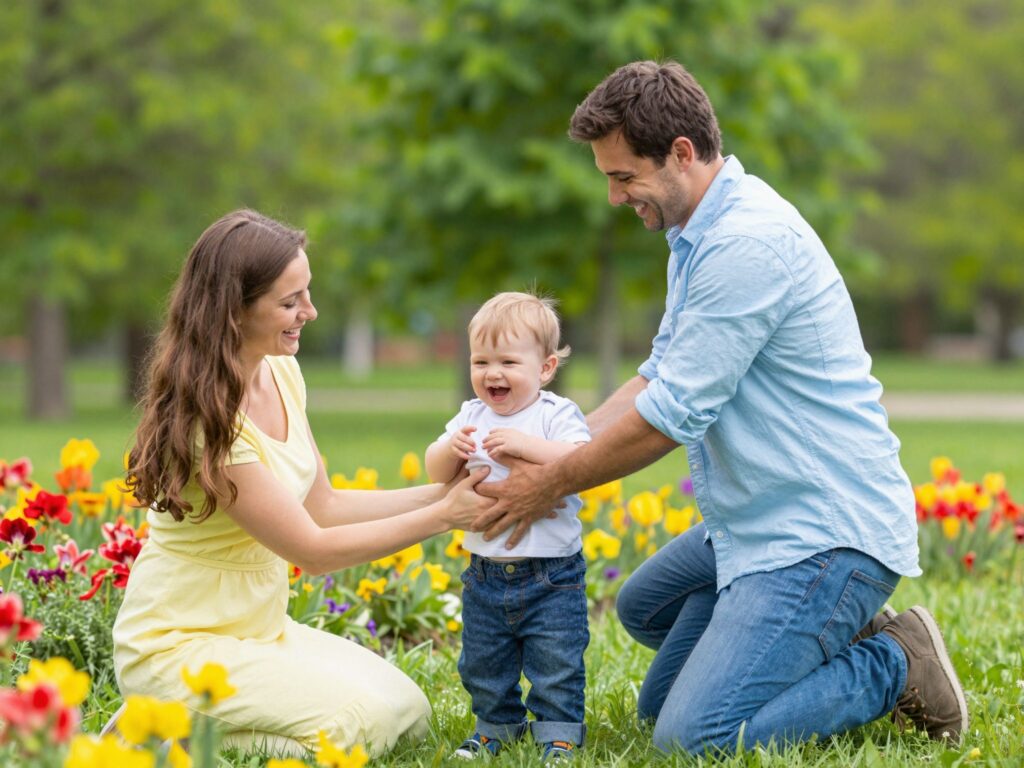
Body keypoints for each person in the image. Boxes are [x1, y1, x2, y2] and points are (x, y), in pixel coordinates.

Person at [472, 61, 968, 755]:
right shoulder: (698, 234)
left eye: (623, 177)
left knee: (694, 739)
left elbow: (671, 416)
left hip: (822, 535)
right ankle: (816, 634)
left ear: (681, 153)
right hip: (759, 519)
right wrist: (555, 438)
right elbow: (654, 378)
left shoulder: (745, 244)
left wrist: (551, 482)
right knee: (647, 610)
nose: (615, 198)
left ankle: (894, 661)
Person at [112, 209, 491, 758]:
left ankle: (184, 729)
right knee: (356, 728)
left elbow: (325, 505)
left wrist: (448, 492)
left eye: (306, 295)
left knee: (408, 710)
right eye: (290, 303)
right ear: (234, 312)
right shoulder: (207, 424)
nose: (309, 313)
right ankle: (157, 727)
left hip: (258, 633)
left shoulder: (281, 370)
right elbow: (312, 550)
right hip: (177, 647)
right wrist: (446, 516)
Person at [424, 292, 591, 761]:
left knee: (556, 660)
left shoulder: (554, 415)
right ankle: (496, 726)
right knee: (483, 660)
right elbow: (435, 471)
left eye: (508, 362)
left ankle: (557, 731)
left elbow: (580, 459)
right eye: (481, 361)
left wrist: (524, 443)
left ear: (545, 368)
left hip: (551, 574)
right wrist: (447, 449)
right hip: (485, 572)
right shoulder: (469, 417)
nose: (492, 373)